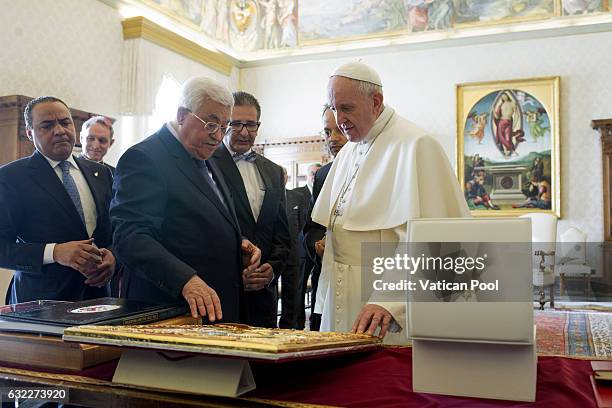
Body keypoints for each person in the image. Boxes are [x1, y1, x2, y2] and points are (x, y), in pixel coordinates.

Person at [312, 62, 469, 343]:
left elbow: (432, 239)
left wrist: (390, 300)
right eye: (334, 109)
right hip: (343, 296)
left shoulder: (416, 144)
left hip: (385, 306)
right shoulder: (349, 151)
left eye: (346, 108)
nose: (339, 119)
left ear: (375, 102)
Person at [111, 77, 261, 322]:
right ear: (182, 115)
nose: (218, 136)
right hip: (172, 310)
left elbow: (203, 219)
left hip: (218, 309)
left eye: (225, 126)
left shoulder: (209, 156)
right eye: (211, 124)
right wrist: (185, 280)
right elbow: (130, 237)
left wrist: (237, 242)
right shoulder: (144, 158)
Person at [0, 96, 115, 303]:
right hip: (40, 303)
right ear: (29, 133)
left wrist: (114, 257)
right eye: (47, 125)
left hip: (98, 299)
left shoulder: (101, 173)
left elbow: (115, 231)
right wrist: (55, 252)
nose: (60, 130)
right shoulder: (11, 178)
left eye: (65, 122)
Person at [210, 91, 290, 328]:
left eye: (251, 125)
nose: (244, 132)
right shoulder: (206, 164)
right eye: (236, 124)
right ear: (225, 125)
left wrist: (272, 270)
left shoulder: (274, 171)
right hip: (222, 296)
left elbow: (282, 234)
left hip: (264, 298)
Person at [299, 103, 348, 330]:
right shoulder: (323, 174)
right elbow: (311, 228)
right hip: (325, 282)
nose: (333, 139)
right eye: (328, 132)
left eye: (339, 130)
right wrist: (316, 244)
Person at [279, 168, 310, 329]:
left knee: (293, 291)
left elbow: (302, 222)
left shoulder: (297, 196)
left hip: (293, 251)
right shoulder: (268, 196)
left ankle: (291, 326)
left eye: (283, 175)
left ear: (286, 178)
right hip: (273, 252)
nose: (280, 178)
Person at [493, 91, 525, 157]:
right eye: (502, 96)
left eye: (504, 95)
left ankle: (510, 151)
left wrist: (515, 124)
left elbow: (517, 115)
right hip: (501, 122)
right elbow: (496, 117)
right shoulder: (501, 105)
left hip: (509, 122)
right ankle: (508, 151)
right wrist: (493, 111)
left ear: (507, 96)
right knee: (502, 137)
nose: (503, 97)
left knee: (508, 138)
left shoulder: (512, 104)